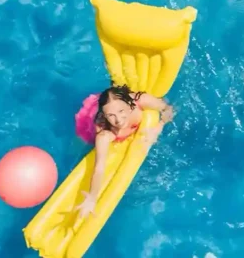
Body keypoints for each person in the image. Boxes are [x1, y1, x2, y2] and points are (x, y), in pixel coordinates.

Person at [74, 85, 175, 218]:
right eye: (111, 115)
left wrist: (158, 126)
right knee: (78, 146)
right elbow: (99, 167)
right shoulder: (105, 133)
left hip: (125, 100)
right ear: (105, 115)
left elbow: (169, 109)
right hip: (90, 121)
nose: (118, 120)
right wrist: (92, 198)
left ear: (129, 105)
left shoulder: (140, 101)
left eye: (121, 111)